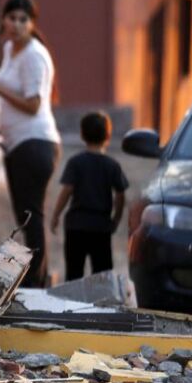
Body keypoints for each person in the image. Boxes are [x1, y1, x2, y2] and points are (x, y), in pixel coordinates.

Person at [0, 0, 61, 287]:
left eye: (24, 20)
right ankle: (34, 275)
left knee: (31, 215)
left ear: (32, 24)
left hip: (35, 143)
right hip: (16, 144)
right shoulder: (11, 48)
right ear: (3, 20)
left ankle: (38, 279)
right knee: (23, 214)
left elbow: (33, 104)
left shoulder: (35, 55)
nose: (17, 24)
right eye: (12, 18)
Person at [49, 112, 128, 281]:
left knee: (74, 272)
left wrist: (56, 215)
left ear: (82, 135)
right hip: (101, 226)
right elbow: (120, 195)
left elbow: (66, 191)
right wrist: (116, 219)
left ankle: (72, 305)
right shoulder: (112, 165)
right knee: (102, 274)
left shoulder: (75, 162)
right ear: (108, 135)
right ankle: (100, 304)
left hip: (76, 226)